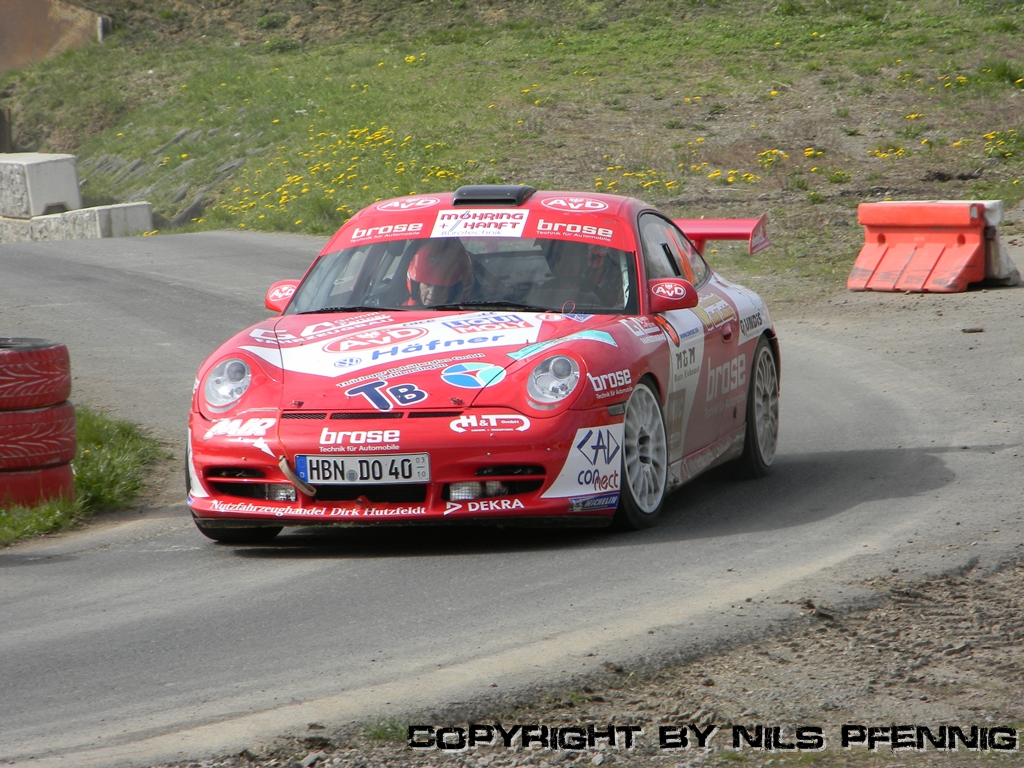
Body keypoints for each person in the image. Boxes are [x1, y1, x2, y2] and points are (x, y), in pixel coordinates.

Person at [406, 238, 474, 307]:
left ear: (455, 291)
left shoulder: (473, 315)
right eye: (427, 284)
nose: (432, 293)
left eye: (441, 288)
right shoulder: (401, 313)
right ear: (416, 286)